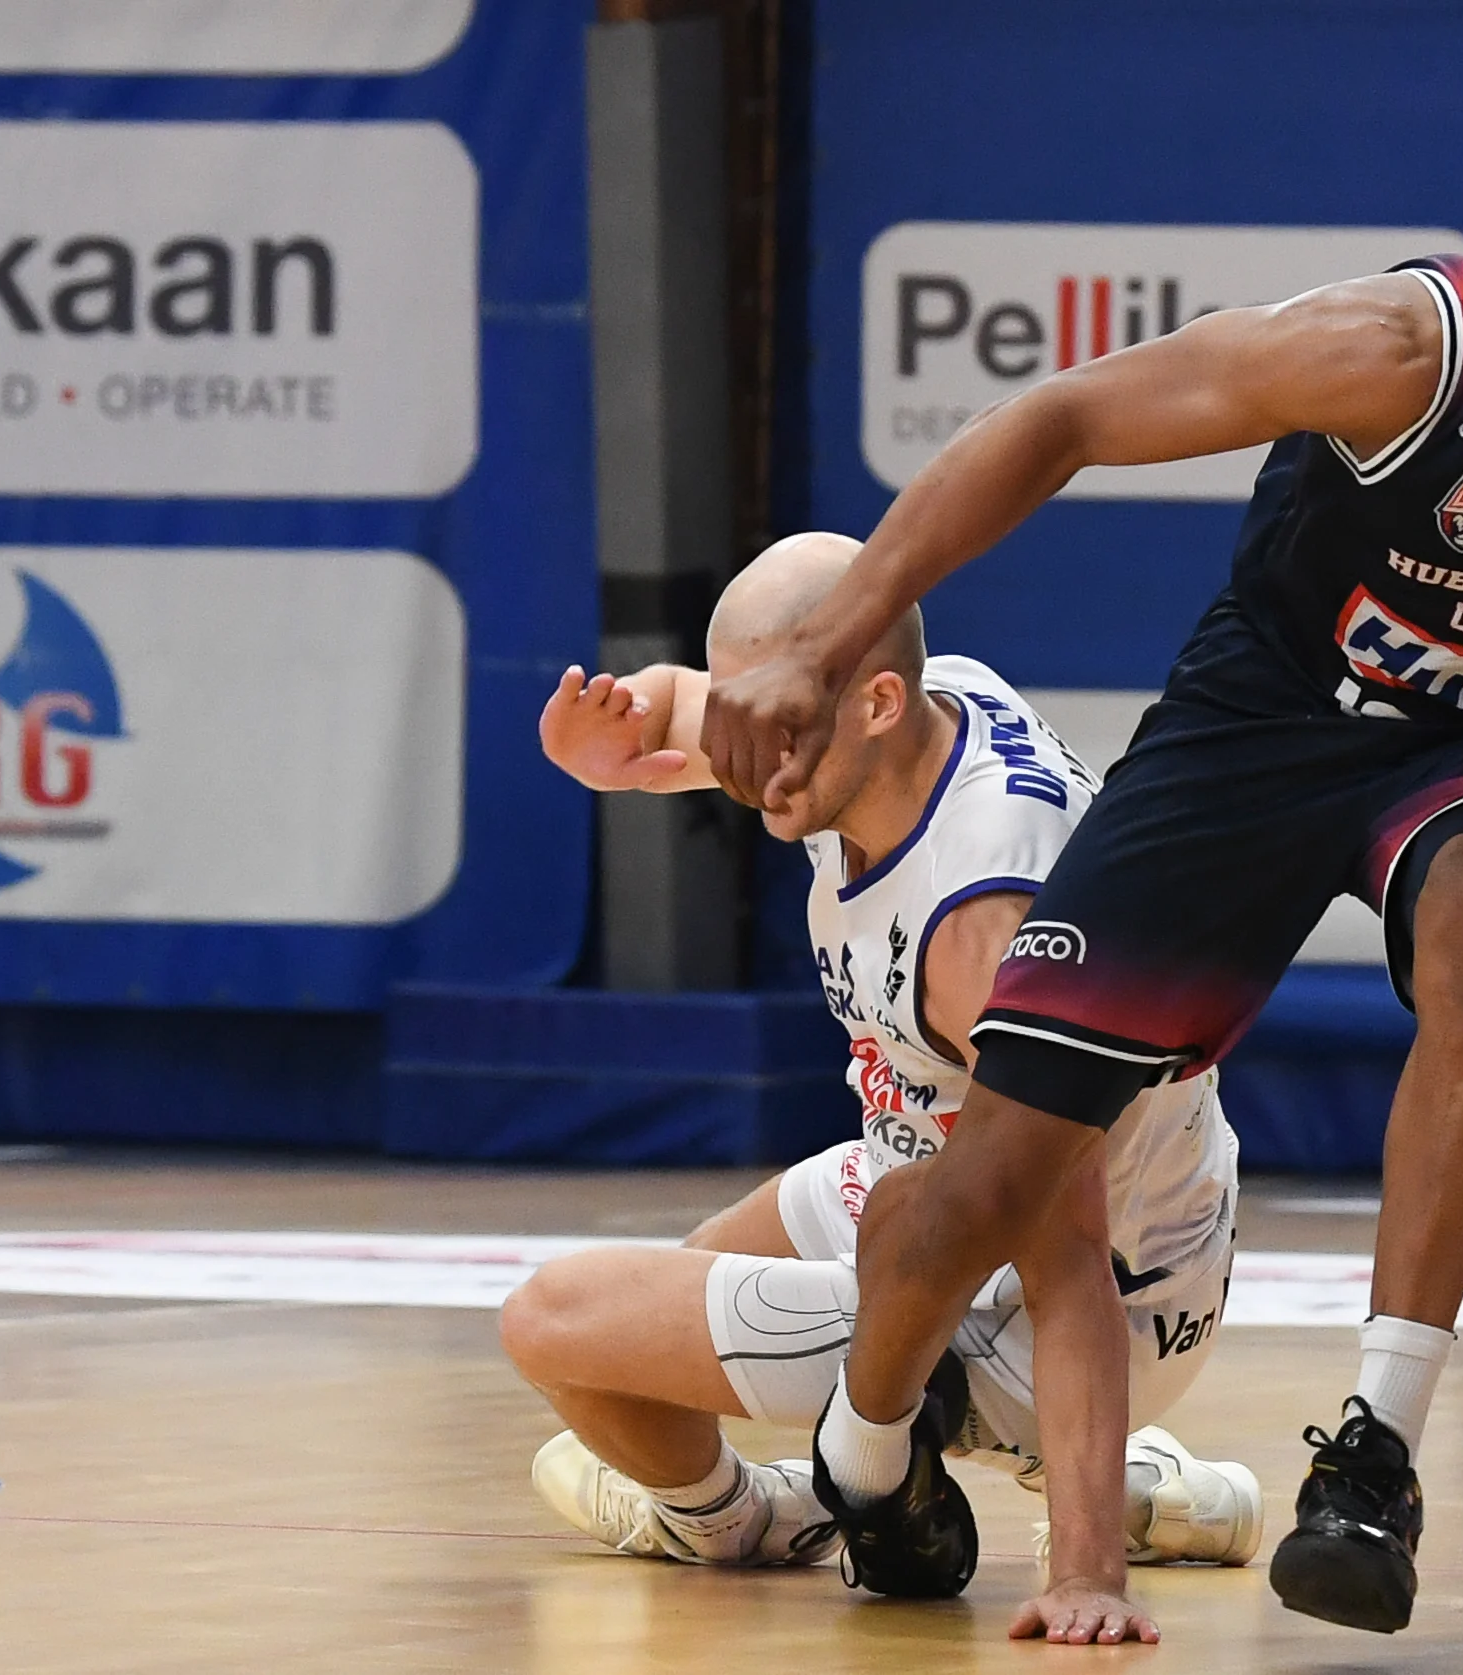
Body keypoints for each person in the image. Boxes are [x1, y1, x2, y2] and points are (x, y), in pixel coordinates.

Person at [699, 46, 1463, 1641]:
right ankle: (871, 1452)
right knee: (983, 1187)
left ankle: (1374, 1447)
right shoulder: (1412, 349)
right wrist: (827, 637)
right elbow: (1065, 415)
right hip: (1270, 719)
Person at [499, 533, 1260, 1612]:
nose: (744, 760)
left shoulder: (981, 936)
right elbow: (695, 706)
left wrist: (1085, 1575)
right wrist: (619, 737)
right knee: (648, 1342)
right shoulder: (908, 703)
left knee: (557, 1322)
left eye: (770, 729)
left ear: (873, 704)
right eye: (738, 721)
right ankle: (1117, 1478)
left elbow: (1069, 1257)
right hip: (950, 1174)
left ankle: (753, 1518)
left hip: (1094, 1290)